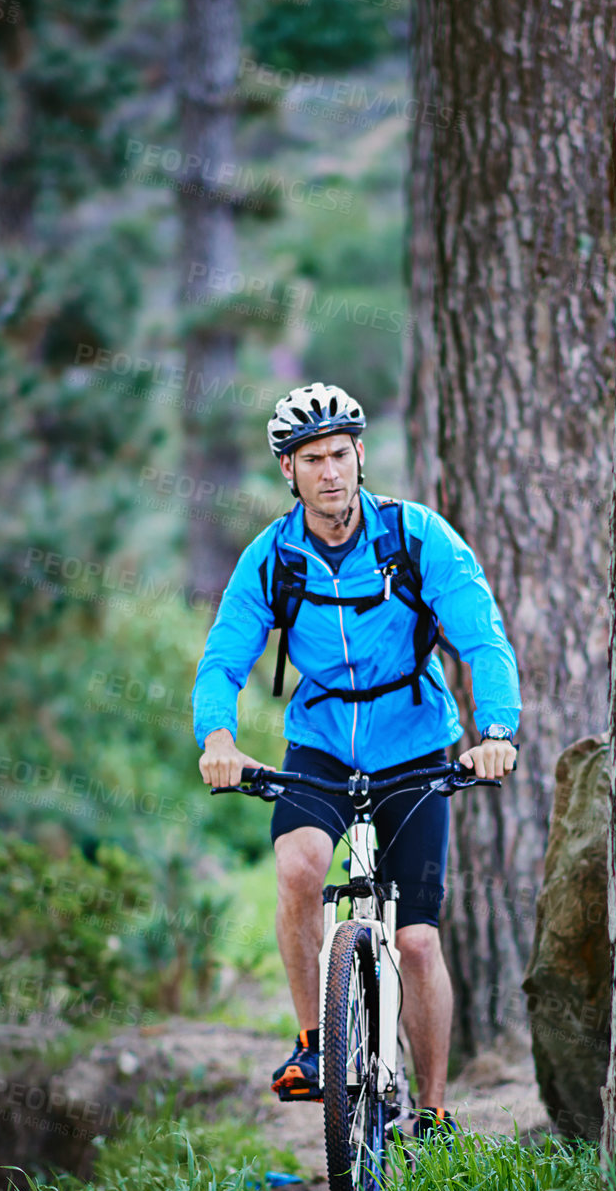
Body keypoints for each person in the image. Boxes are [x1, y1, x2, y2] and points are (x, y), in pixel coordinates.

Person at [193, 381, 520, 1136]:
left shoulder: (416, 538)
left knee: (416, 939)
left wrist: (497, 731)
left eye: (341, 453)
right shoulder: (272, 559)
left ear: (361, 456)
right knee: (300, 867)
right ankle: (313, 1044)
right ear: (289, 470)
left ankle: (433, 1109)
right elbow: (222, 661)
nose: (331, 471)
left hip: (414, 747)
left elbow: (482, 636)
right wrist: (218, 738)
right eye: (313, 458)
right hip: (320, 745)